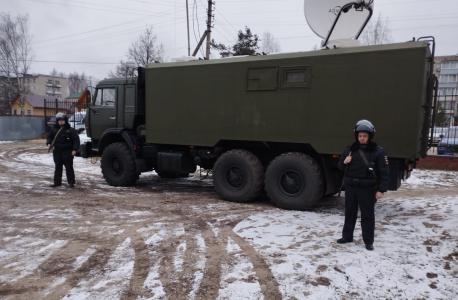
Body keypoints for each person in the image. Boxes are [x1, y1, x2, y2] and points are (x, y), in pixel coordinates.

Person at [336, 120, 389, 251]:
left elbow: (384, 172)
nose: (362, 138)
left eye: (365, 136)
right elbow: (339, 167)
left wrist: (381, 190)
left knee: (367, 215)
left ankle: (368, 241)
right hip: (351, 187)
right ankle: (347, 236)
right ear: (357, 136)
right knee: (349, 213)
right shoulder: (350, 150)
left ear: (370, 136)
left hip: (367, 188)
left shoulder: (378, 152)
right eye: (360, 136)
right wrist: (344, 161)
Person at [46, 112, 80, 188]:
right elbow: (49, 137)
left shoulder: (70, 130)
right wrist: (48, 143)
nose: (61, 121)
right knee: (58, 167)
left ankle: (71, 183)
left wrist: (74, 149)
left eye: (62, 120)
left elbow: (76, 140)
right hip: (57, 151)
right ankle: (57, 182)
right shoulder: (53, 129)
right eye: (59, 120)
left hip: (67, 151)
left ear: (65, 121)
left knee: (69, 167)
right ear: (57, 121)